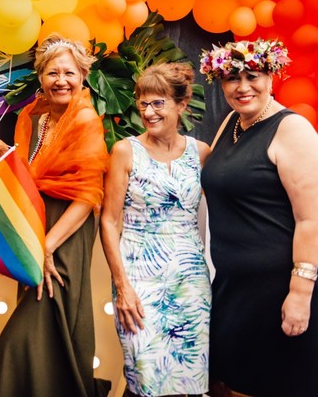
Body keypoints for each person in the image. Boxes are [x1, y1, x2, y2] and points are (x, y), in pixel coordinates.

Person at [199, 39, 318, 397]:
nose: (242, 87)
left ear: (272, 75)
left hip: (283, 287)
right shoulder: (231, 122)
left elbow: (310, 220)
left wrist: (299, 294)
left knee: (285, 386)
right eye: (231, 78)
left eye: (252, 76)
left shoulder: (293, 129)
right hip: (235, 288)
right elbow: (213, 176)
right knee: (231, 384)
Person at [0, 34, 111, 397]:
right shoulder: (34, 117)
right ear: (40, 77)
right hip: (36, 225)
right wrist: (4, 152)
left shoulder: (85, 118)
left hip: (65, 231)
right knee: (44, 334)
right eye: (53, 72)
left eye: (70, 73)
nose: (61, 80)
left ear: (83, 76)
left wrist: (47, 245)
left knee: (23, 336)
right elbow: (33, 174)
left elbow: (88, 196)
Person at [100, 63, 212, 397]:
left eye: (158, 103)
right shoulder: (124, 151)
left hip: (190, 281)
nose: (148, 112)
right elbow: (109, 221)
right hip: (138, 277)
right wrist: (122, 287)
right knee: (145, 375)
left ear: (181, 104)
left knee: (190, 378)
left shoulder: (201, 153)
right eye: (143, 103)